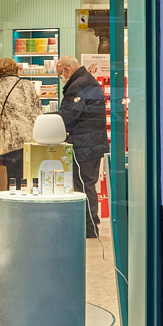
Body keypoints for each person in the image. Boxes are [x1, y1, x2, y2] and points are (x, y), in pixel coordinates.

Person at [55, 56, 108, 237]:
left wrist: (49, 119)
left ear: (66, 70)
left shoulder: (78, 86)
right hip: (93, 143)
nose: (61, 78)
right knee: (87, 184)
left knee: (84, 186)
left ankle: (89, 227)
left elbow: (69, 115)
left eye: (60, 74)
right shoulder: (87, 81)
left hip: (84, 145)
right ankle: (89, 225)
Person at [0, 58, 38, 189]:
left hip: (11, 143)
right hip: (32, 140)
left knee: (14, 184)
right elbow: (37, 109)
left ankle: (14, 202)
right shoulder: (28, 85)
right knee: (31, 181)